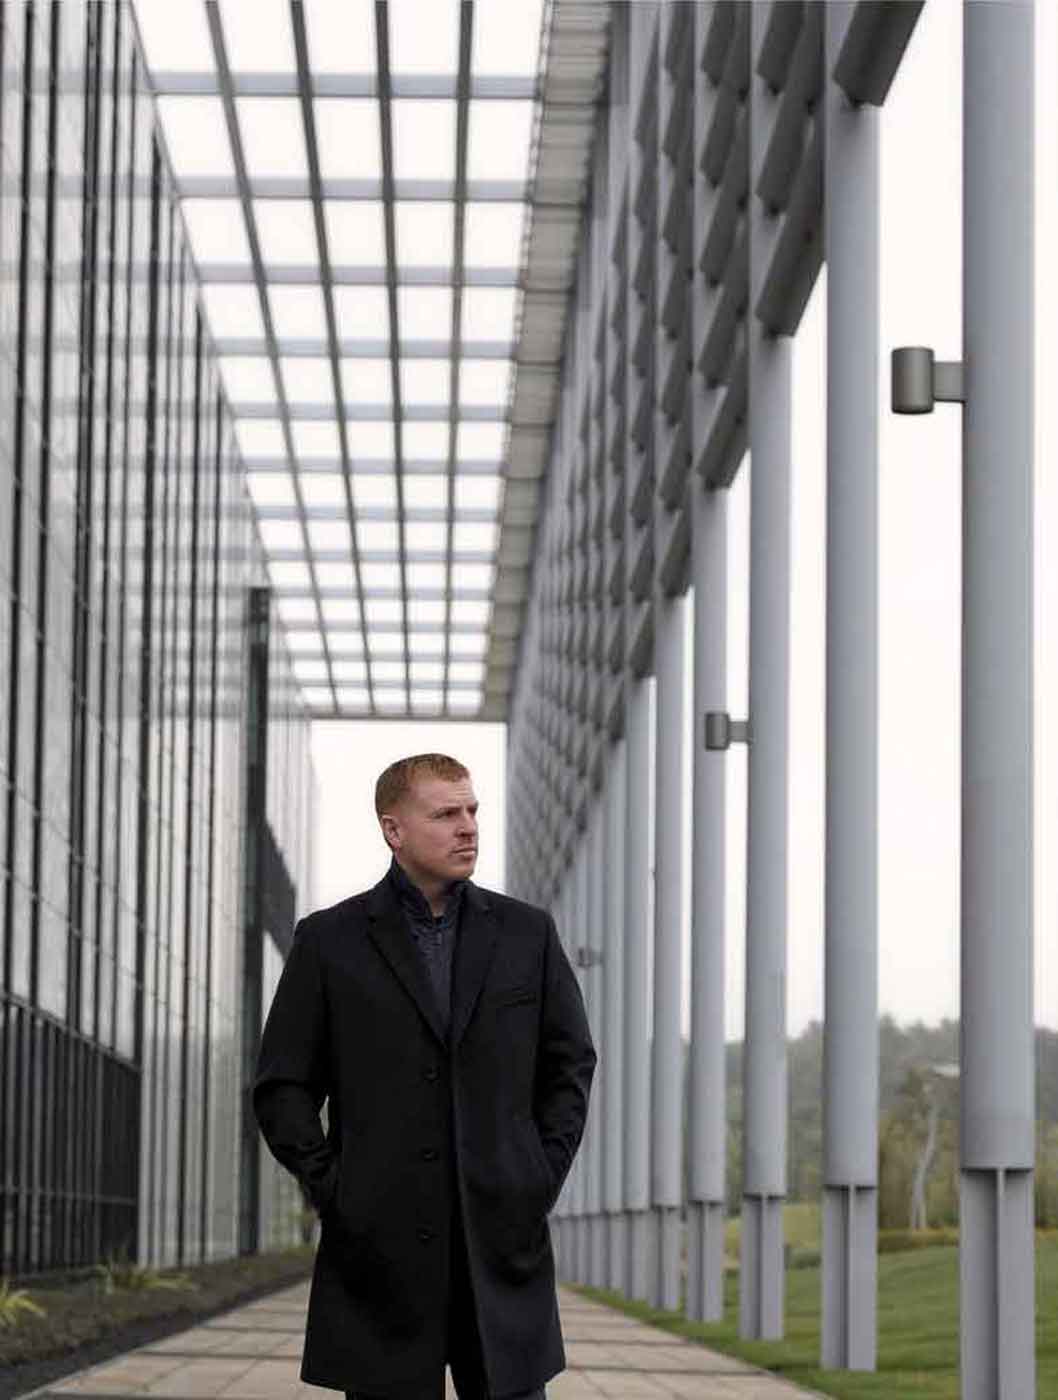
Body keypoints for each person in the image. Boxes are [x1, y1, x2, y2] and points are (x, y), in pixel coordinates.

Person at [254, 752, 596, 1400]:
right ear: (394, 830)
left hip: (501, 1245)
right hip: (377, 1252)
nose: (468, 826)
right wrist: (336, 1189)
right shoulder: (329, 942)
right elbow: (283, 1086)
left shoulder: (528, 934)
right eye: (446, 813)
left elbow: (570, 1061)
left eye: (472, 810)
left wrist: (538, 1172)